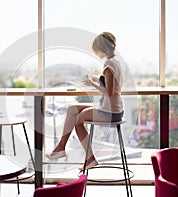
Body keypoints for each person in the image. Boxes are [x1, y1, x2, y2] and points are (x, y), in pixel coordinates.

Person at [46, 32, 124, 170]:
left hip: (110, 111)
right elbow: (110, 84)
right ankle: (60, 148)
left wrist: (92, 84)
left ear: (101, 48)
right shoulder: (115, 62)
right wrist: (96, 78)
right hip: (112, 108)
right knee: (72, 109)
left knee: (78, 121)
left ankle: (90, 159)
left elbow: (110, 93)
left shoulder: (109, 65)